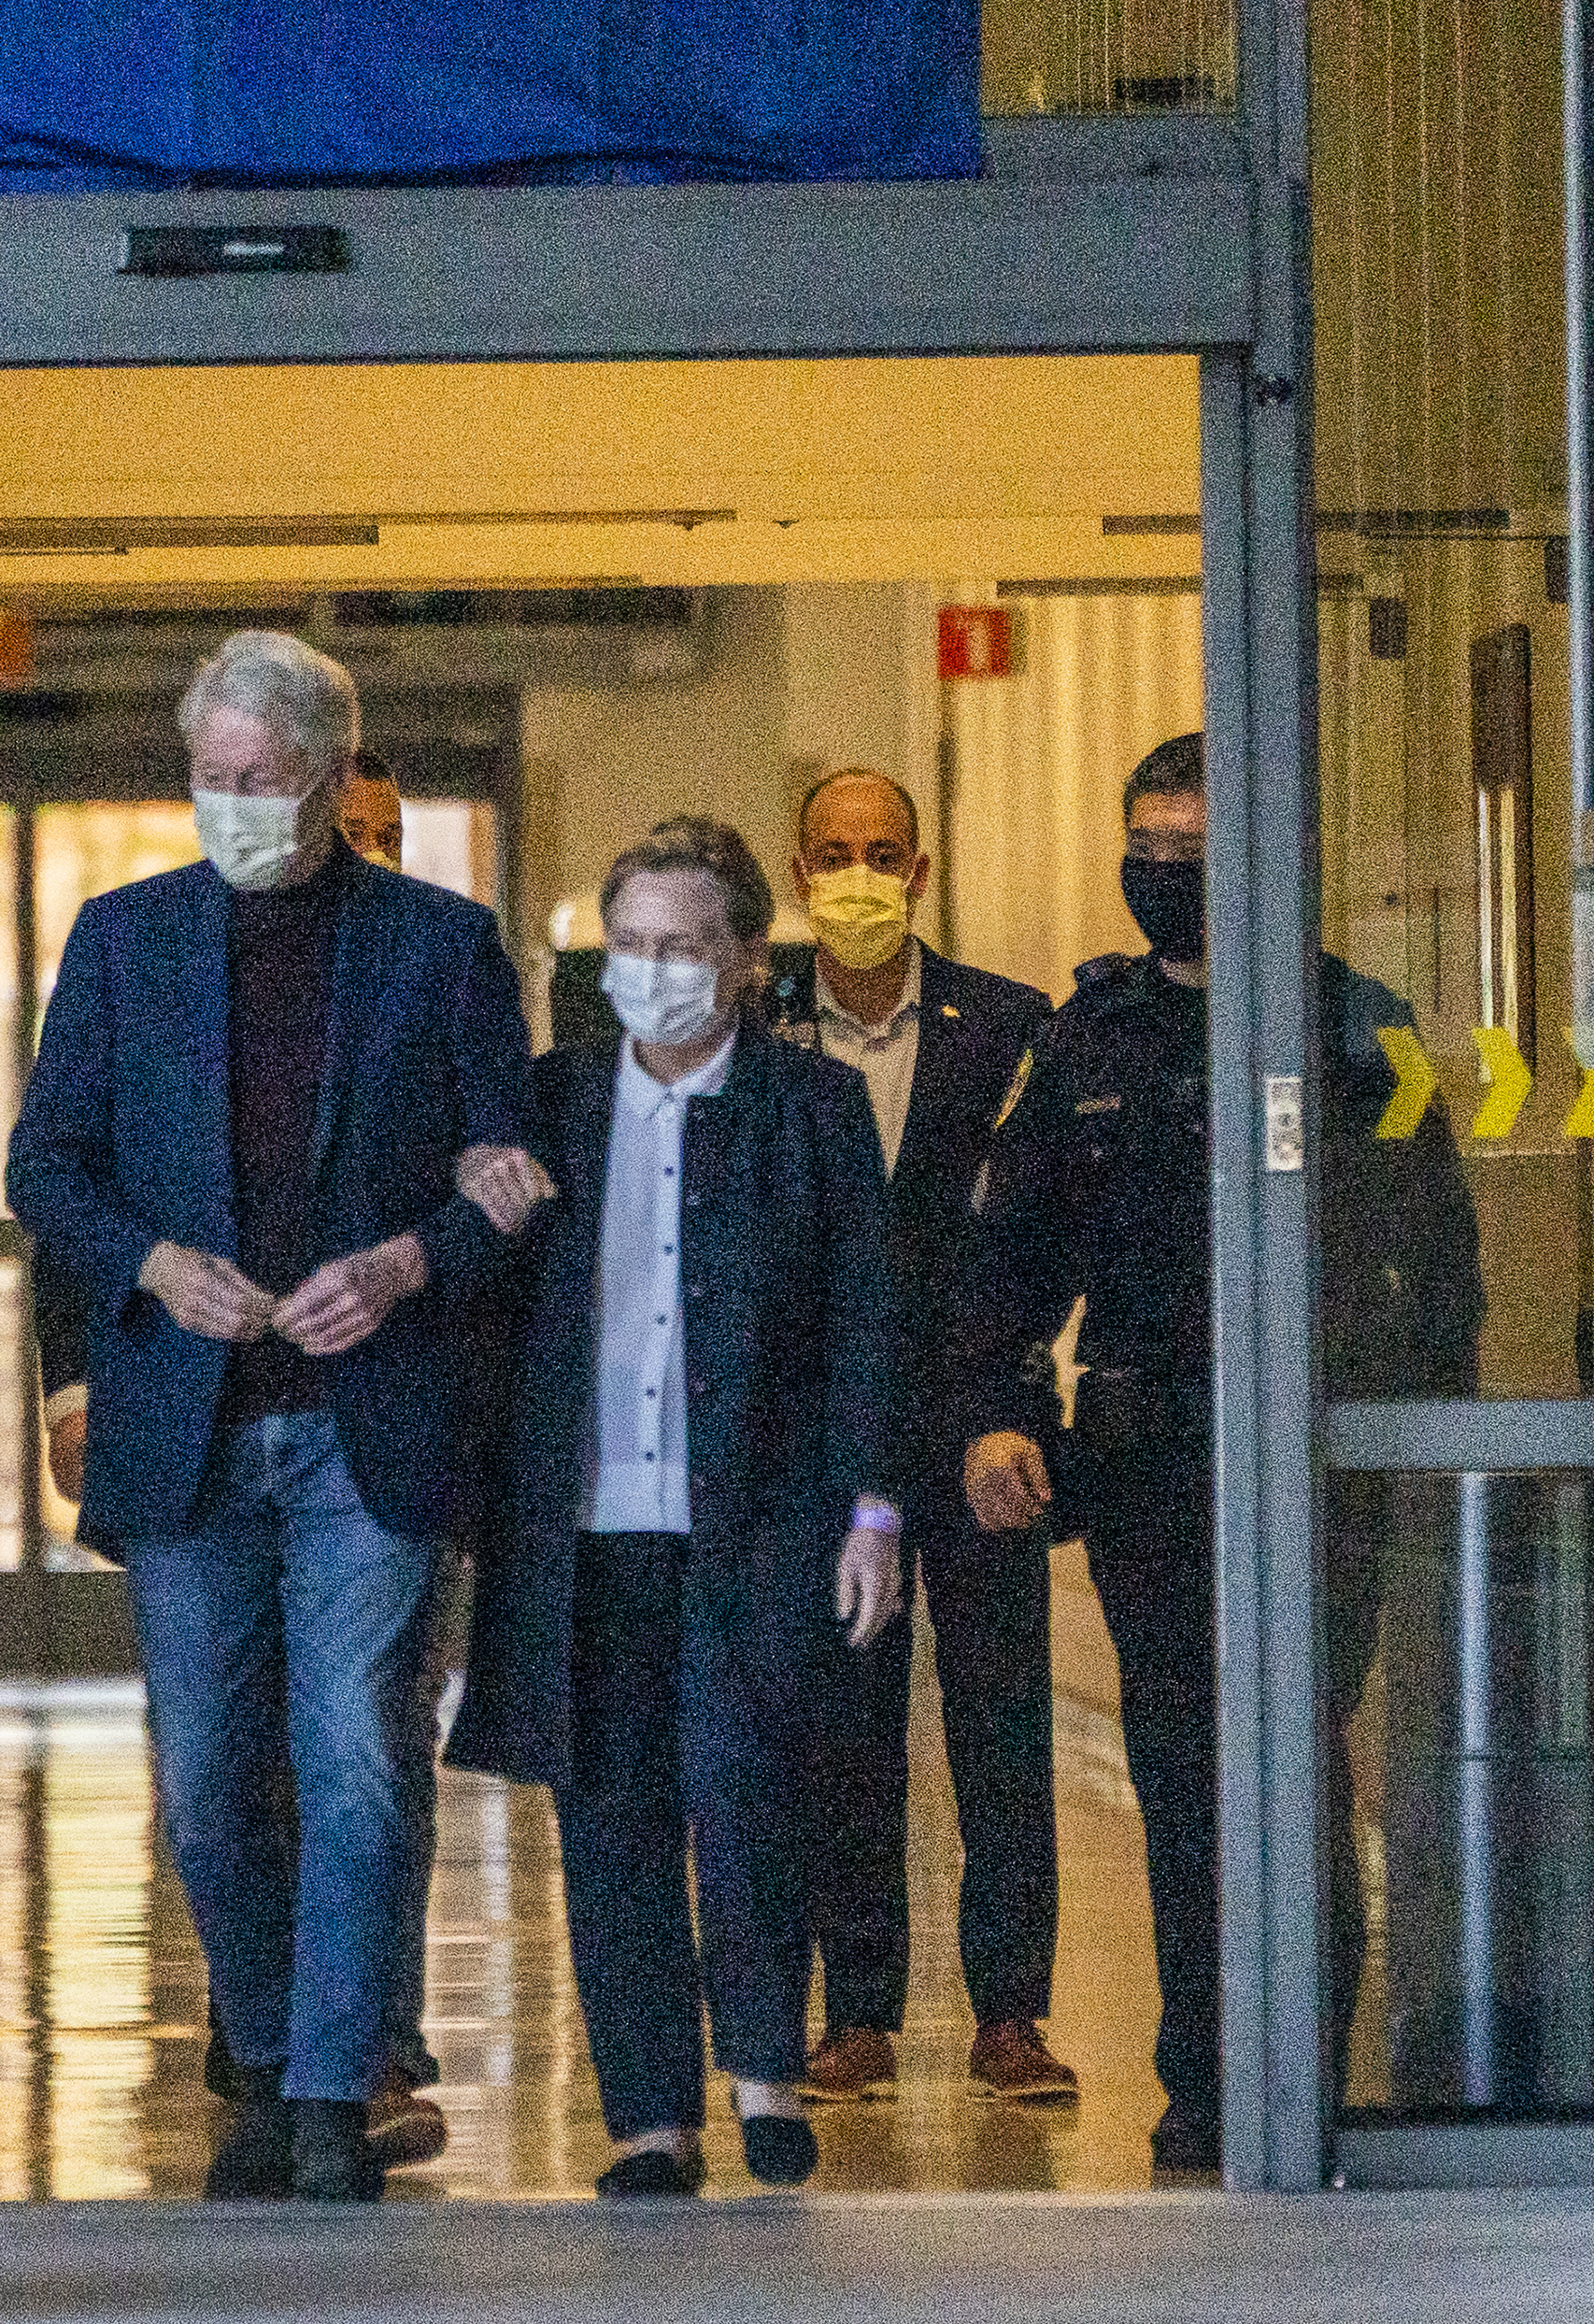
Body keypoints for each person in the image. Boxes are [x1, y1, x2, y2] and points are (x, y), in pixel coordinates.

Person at [5, 630, 540, 2203]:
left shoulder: (442, 948)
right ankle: (262, 2036)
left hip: (368, 1423)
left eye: (259, 779)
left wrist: (399, 1263)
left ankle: (326, 2090)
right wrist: (154, 1267)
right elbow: (47, 1168)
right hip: (192, 1423)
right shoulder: (124, 941)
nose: (228, 804)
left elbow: (507, 1174)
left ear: (327, 777)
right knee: (208, 1786)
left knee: (362, 1757)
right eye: (208, 778)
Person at [950, 734, 1480, 2173]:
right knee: (1184, 1774)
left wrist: (1433, 1433)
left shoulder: (1363, 1028)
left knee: (1301, 1759)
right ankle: (1209, 2081)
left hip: (1322, 1454)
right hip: (1148, 1460)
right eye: (1150, 851)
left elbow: (1440, 1259)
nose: (1167, 878)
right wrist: (997, 1407)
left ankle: (1308, 2070)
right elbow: (1009, 1255)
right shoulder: (1088, 1041)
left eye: (1196, 853)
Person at [449, 817, 904, 2199]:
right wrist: (475, 1191)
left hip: (758, 1517)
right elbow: (488, 1297)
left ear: (746, 959)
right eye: (629, 945)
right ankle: (651, 2113)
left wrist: (874, 1508)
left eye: (682, 945)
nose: (652, 970)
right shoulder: (550, 1102)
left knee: (748, 1791)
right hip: (583, 1530)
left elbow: (865, 1314)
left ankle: (765, 2070)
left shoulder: (811, 1109)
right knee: (612, 1818)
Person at [769, 769, 1071, 2107]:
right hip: (829, 1438)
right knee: (846, 1726)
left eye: (882, 852)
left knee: (1001, 1721)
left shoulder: (1007, 1027)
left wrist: (1004, 1409)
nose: (859, 875)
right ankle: (862, 2012)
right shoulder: (759, 1028)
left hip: (978, 1427)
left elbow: (1043, 1225)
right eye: (834, 852)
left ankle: (1010, 2011)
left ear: (922, 873)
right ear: (797, 872)